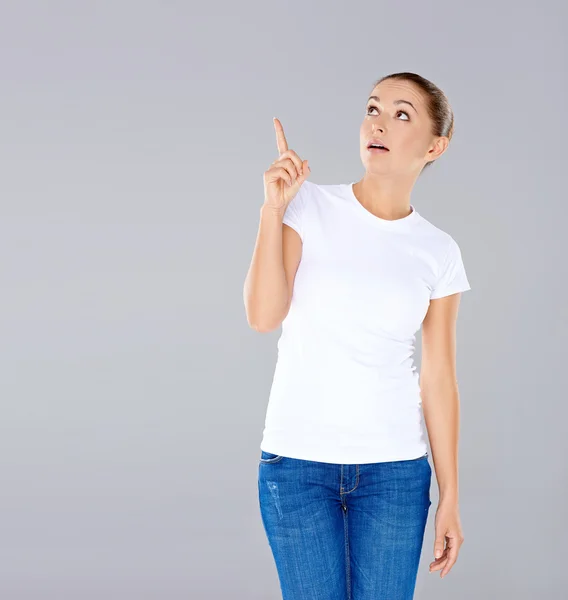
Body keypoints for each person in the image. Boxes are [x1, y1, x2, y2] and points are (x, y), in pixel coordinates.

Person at [243, 71, 470, 600]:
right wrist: (272, 209)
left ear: (436, 145)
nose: (380, 122)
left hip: (394, 475)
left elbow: (439, 379)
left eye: (401, 114)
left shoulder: (439, 251)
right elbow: (262, 314)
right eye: (373, 108)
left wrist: (451, 496)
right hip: (296, 467)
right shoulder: (308, 206)